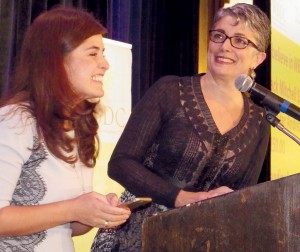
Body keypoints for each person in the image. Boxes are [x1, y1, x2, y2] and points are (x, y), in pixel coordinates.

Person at [91, 3, 271, 251]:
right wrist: (179, 198)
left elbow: (240, 198)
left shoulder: (259, 122)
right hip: (137, 237)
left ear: (258, 58)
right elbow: (121, 164)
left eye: (240, 41)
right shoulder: (170, 91)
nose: (225, 46)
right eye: (219, 35)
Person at [0, 6, 131, 252]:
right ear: (56, 61)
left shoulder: (81, 128)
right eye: (93, 54)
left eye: (103, 54)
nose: (105, 65)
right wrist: (73, 208)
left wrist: (96, 210)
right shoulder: (15, 120)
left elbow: (70, 226)